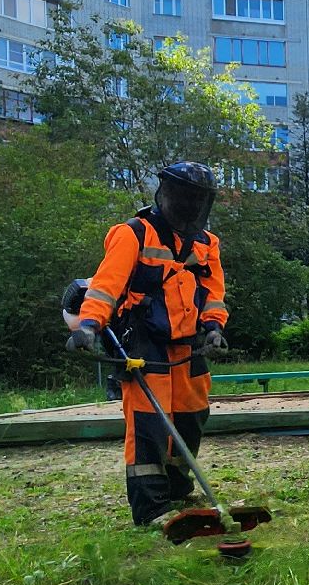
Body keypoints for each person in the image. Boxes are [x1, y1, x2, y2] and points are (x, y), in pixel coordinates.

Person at [66, 162, 229, 528]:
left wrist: (215, 327)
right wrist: (90, 325)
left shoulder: (206, 243)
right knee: (149, 423)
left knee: (191, 416)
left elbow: (213, 294)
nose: (191, 206)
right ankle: (151, 508)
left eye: (197, 200)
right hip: (143, 341)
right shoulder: (134, 234)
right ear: (168, 195)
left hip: (189, 343)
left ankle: (177, 487)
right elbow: (106, 286)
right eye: (186, 198)